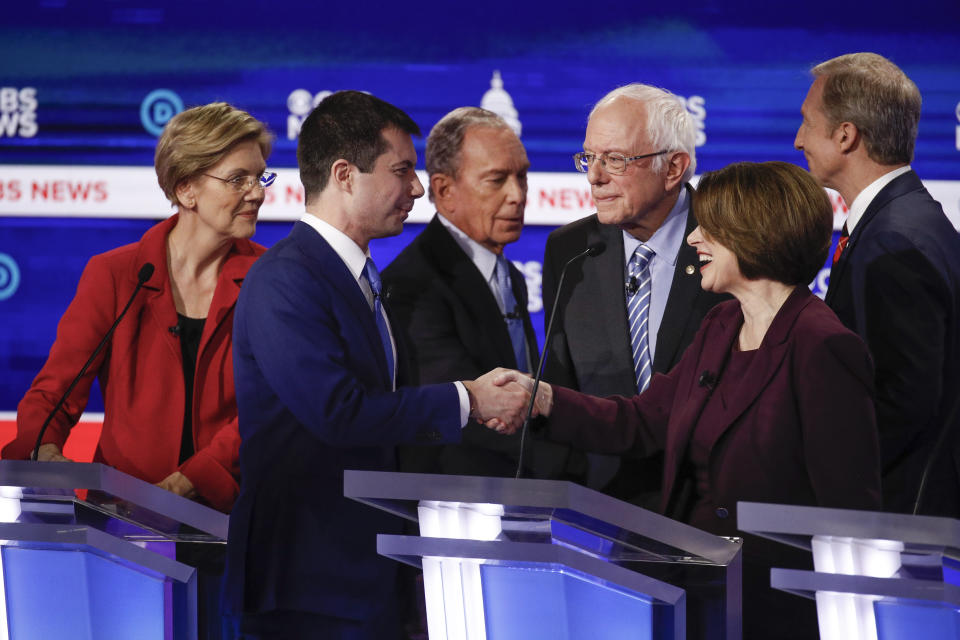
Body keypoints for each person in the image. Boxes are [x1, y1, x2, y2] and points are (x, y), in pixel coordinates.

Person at [499, 161, 882, 640]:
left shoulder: (822, 346)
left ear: (753, 233)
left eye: (710, 229)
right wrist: (545, 399)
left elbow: (849, 512)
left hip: (774, 608)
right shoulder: (722, 324)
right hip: (691, 588)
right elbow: (645, 420)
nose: (695, 239)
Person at [223, 91, 529, 639]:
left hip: (371, 574)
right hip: (306, 583)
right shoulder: (285, 280)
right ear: (345, 174)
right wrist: (469, 399)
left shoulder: (362, 276)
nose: (416, 187)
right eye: (402, 170)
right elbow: (337, 412)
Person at [6, 101, 275, 640]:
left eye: (259, 175)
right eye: (238, 178)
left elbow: (268, 410)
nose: (258, 191)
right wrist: (45, 455)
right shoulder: (116, 274)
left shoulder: (271, 280)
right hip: (121, 530)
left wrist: (184, 484)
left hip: (232, 529)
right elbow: (54, 391)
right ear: (186, 190)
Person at [541, 83, 727, 499]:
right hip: (601, 509)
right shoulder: (569, 251)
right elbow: (563, 387)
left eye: (616, 160)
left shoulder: (733, 242)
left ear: (674, 168)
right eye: (589, 157)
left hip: (706, 510)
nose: (594, 176)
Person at [795, 52, 960, 517]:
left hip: (899, 517)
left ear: (846, 135)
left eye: (807, 122)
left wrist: (824, 486)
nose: (797, 139)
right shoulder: (906, 218)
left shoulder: (893, 240)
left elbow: (904, 402)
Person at [383, 106, 567, 479]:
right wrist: (578, 465)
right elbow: (466, 417)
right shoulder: (414, 284)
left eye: (522, 176)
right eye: (497, 180)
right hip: (453, 504)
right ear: (445, 190)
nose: (518, 195)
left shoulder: (508, 274)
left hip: (516, 498)